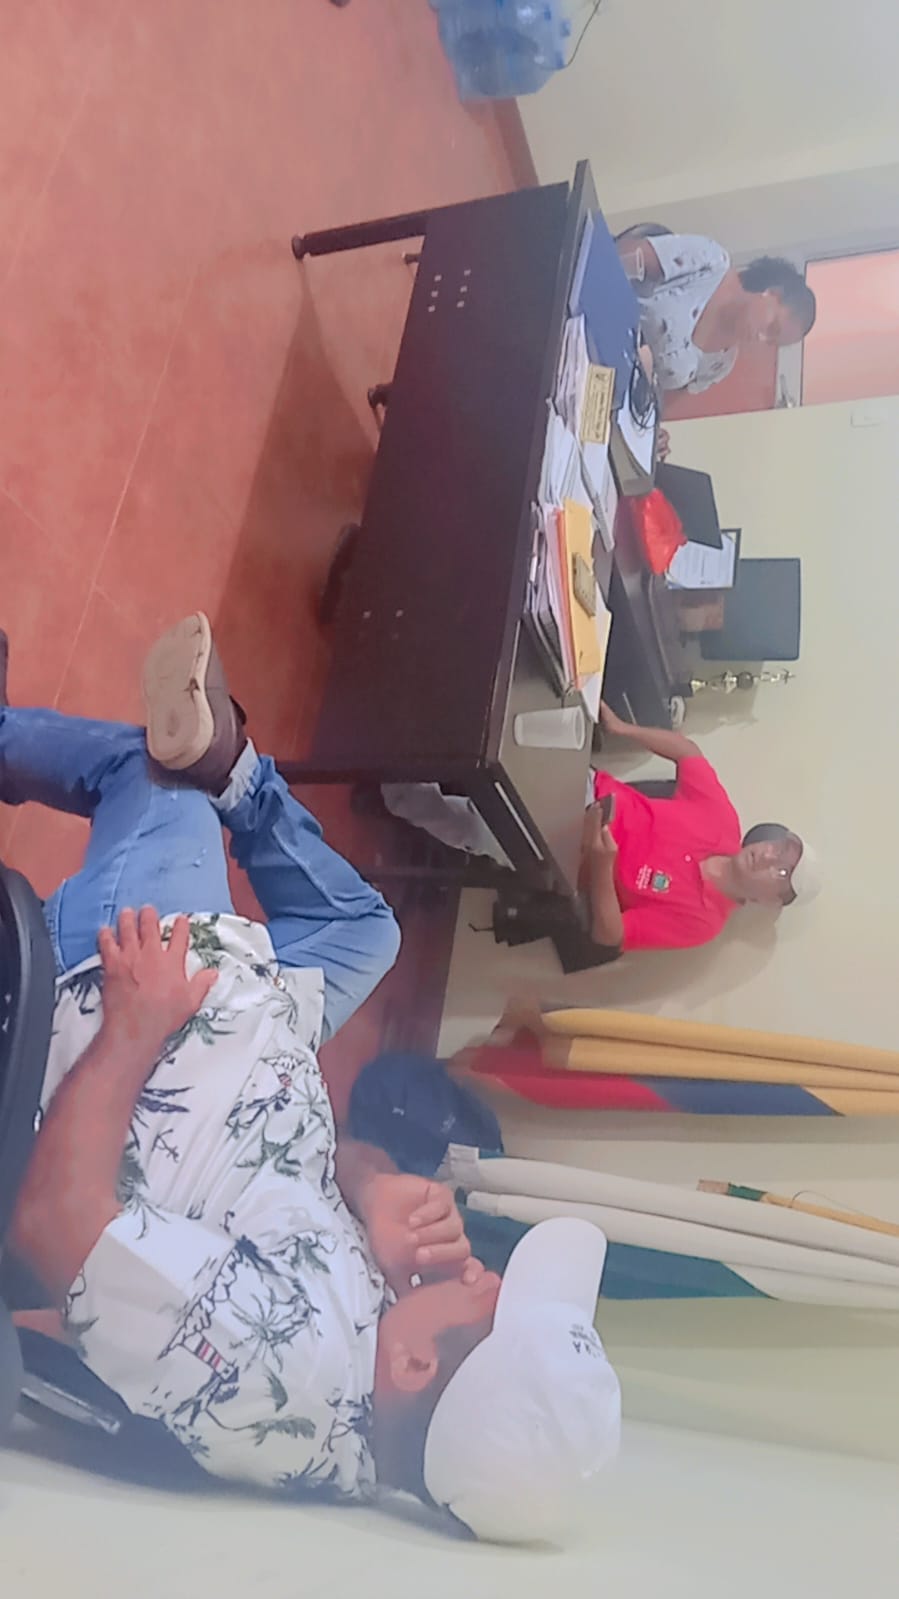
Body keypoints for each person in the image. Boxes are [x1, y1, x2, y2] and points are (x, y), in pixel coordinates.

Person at [2, 614, 620, 1541]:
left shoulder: (279, 1364)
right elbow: (301, 1186)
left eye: (498, 1305)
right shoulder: (367, 1375)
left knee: (156, 783)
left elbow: (52, 1221)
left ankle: (172, 764)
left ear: (417, 1366)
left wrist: (134, 1026)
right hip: (248, 1042)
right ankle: (232, 769)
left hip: (131, 1024)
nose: (490, 1276)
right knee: (367, 933)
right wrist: (371, 1188)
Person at [585, 702, 820, 953]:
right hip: (590, 788)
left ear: (769, 901)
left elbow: (610, 934)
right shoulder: (723, 820)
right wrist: (622, 728)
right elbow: (688, 752)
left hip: (574, 852)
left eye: (781, 871)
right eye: (779, 848)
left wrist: (601, 866)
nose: (767, 856)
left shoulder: (702, 922)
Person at [615, 229, 816, 401]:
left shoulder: (720, 363)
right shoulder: (711, 261)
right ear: (773, 293)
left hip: (610, 383)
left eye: (771, 342)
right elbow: (619, 257)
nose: (761, 338)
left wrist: (655, 428)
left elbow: (655, 400)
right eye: (772, 327)